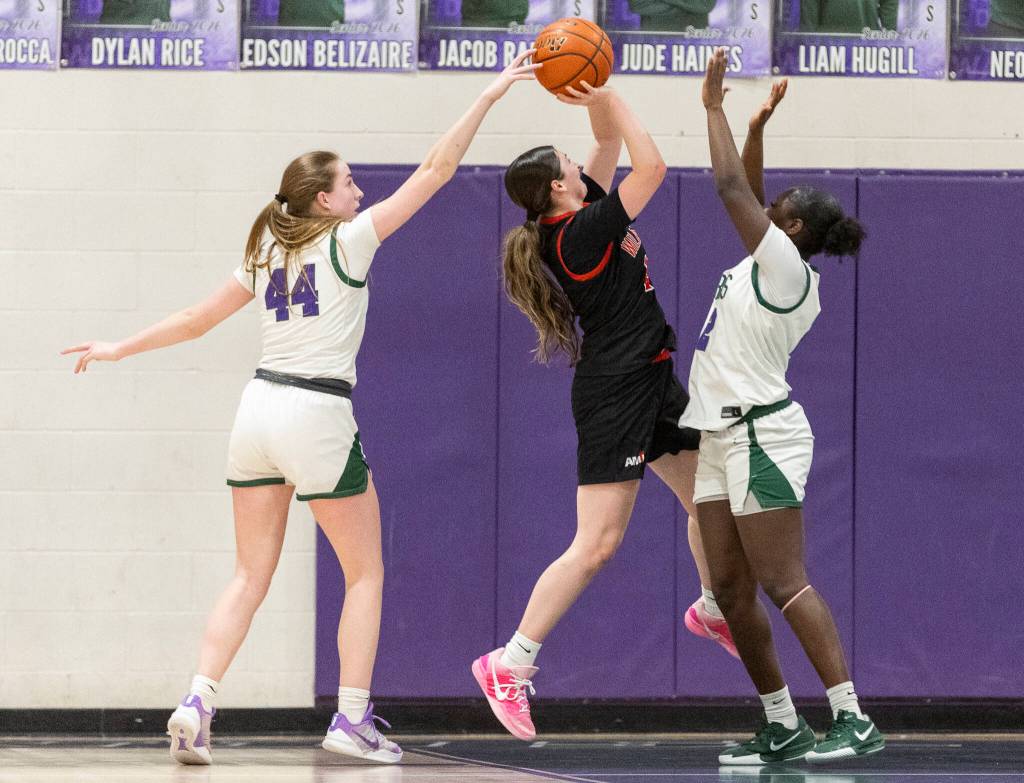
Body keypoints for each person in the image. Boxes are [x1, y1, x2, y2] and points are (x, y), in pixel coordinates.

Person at [61, 50, 539, 767]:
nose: (358, 188)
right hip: (315, 412)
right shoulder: (349, 239)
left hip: (255, 412)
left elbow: (197, 319)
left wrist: (119, 346)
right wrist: (491, 93)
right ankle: (351, 719)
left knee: (248, 576)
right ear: (323, 199)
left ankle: (197, 699)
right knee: (367, 571)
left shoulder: (266, 245)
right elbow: (437, 171)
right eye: (348, 182)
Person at [471, 79, 736, 742]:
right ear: (558, 190)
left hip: (650, 376)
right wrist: (614, 91)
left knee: (710, 487)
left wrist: (592, 80)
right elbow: (652, 167)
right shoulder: (581, 234)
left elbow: (607, 139)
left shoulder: (578, 200)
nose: (575, 162)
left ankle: (711, 607)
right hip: (616, 389)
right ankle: (510, 661)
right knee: (598, 544)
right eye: (564, 161)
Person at [686, 48, 884, 765]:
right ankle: (782, 722)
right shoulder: (766, 260)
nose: (767, 211)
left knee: (782, 578)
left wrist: (713, 108)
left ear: (791, 232)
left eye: (778, 214)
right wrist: (758, 123)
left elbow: (733, 187)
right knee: (733, 589)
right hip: (718, 435)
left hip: (762, 434)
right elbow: (753, 184)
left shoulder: (784, 269)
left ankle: (852, 716)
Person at [799, 0, 897, 33]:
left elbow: (889, 3)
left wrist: (890, 37)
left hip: (869, 46)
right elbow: (810, 4)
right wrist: (809, 38)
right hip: (827, 43)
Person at [626, 0, 716, 33]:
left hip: (694, 44)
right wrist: (688, 6)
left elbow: (706, 4)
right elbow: (637, 5)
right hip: (654, 43)